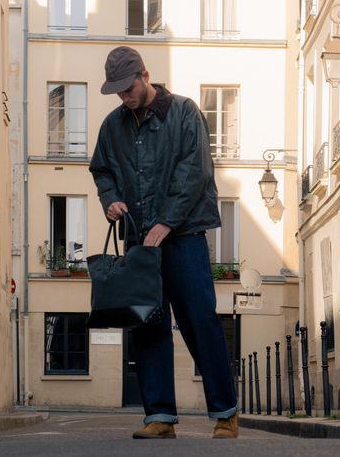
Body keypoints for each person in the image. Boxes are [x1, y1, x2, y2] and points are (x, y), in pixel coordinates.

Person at [90, 46, 238, 439]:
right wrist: (111, 201)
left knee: (200, 321)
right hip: (140, 242)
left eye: (128, 87)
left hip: (184, 237)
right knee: (147, 325)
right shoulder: (112, 126)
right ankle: (160, 417)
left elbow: (195, 172)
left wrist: (166, 224)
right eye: (118, 91)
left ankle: (225, 413)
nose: (125, 96)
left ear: (145, 74)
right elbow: (101, 170)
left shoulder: (186, 112)